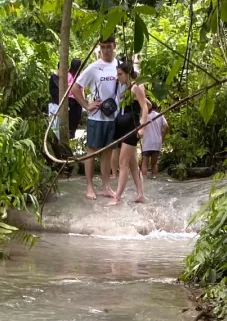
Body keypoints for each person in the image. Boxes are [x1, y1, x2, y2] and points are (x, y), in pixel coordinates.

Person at [70, 35, 122, 200]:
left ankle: (106, 186)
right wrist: (86, 105)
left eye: (109, 46)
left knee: (107, 152)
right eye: (103, 46)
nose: (106, 50)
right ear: (99, 47)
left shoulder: (119, 65)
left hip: (113, 116)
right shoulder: (93, 68)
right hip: (96, 117)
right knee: (92, 152)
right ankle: (89, 186)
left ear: (114, 46)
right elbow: (76, 88)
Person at [111, 58, 149, 204]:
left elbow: (145, 108)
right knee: (133, 163)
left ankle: (117, 197)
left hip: (131, 128)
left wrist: (142, 128)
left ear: (127, 74)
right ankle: (140, 193)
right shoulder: (128, 89)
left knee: (123, 163)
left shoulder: (136, 87)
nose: (118, 77)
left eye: (120, 74)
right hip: (124, 127)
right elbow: (146, 102)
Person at [140, 100, 168, 178]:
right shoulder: (160, 115)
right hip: (157, 142)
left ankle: (144, 178)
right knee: (154, 163)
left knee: (144, 162)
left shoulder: (145, 116)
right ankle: (154, 176)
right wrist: (162, 137)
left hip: (147, 142)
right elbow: (166, 126)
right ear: (156, 108)